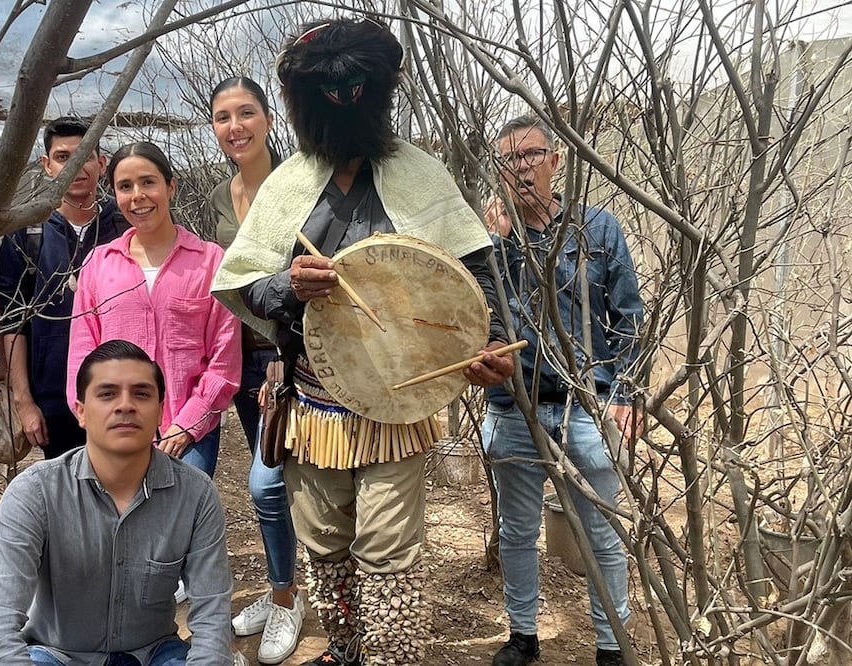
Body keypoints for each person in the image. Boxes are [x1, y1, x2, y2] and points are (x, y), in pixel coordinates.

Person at [211, 18, 515, 666]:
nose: (344, 100)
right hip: (313, 403)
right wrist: (290, 285)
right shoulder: (289, 185)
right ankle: (347, 649)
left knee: (388, 547)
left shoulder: (420, 173)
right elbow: (245, 284)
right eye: (331, 91)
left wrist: (489, 341)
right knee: (324, 540)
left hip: (398, 403)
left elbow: (475, 271)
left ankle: (391, 656)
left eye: (356, 88)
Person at [482, 114, 645, 666]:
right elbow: (479, 320)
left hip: (587, 406)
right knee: (517, 531)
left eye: (531, 155)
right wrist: (498, 247)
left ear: (555, 161)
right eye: (509, 159)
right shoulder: (490, 243)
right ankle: (523, 636)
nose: (521, 168)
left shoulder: (597, 230)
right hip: (515, 409)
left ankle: (611, 646)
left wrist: (624, 393)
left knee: (602, 531)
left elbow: (628, 318)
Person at [0, 340, 233, 665]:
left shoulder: (195, 495)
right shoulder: (35, 493)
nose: (125, 406)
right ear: (80, 411)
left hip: (152, 654)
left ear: (160, 410)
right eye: (107, 394)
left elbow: (212, 618)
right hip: (57, 655)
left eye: (141, 394)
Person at [66, 142, 240, 478]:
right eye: (125, 186)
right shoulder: (99, 265)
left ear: (171, 186)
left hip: (186, 433)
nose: (138, 196)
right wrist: (92, 414)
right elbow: (81, 354)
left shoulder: (210, 262)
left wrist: (188, 425)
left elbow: (223, 361)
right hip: (115, 425)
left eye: (148, 182)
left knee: (178, 511)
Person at [208, 76, 304, 665]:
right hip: (240, 356)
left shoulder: (299, 184)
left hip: (290, 356)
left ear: (269, 119)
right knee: (273, 483)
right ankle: (282, 588)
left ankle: (291, 599)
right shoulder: (221, 196)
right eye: (223, 117)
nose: (235, 126)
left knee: (268, 484)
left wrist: (281, 356)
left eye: (246, 112)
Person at [0, 116, 128, 459]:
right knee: (67, 486)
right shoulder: (28, 231)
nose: (75, 167)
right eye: (63, 157)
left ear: (101, 163)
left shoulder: (126, 225)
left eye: (84, 156)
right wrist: (24, 401)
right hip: (53, 401)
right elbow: (13, 321)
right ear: (47, 165)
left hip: (124, 396)